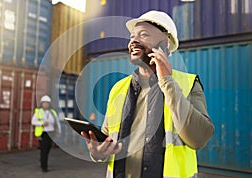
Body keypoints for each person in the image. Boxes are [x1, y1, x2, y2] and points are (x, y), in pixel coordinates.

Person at [81, 10, 214, 178]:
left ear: (164, 46)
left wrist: (167, 81)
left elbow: (198, 138)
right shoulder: (118, 88)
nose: (134, 41)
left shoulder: (188, 84)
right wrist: (98, 153)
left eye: (143, 35)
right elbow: (108, 143)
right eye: (131, 36)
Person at [31, 95, 61, 172]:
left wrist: (59, 132)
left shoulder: (53, 112)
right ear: (41, 103)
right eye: (44, 102)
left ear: (49, 104)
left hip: (51, 132)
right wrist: (41, 123)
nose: (45, 104)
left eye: (47, 103)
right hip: (43, 133)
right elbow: (33, 121)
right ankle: (44, 167)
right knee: (44, 150)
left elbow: (57, 122)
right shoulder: (38, 111)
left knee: (47, 149)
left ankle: (42, 162)